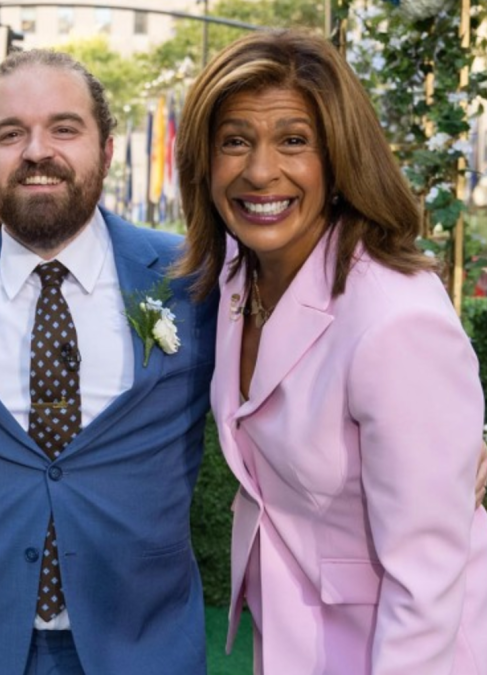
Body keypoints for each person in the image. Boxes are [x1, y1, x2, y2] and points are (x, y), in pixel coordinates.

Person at [0, 49, 220, 674]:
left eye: (64, 128)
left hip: (144, 645)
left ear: (106, 150)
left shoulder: (191, 280)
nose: (36, 151)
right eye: (11, 134)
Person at [172, 30, 486, 673]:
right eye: (235, 140)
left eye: (294, 140)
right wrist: (7, 229)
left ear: (340, 157)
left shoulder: (396, 321)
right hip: (295, 637)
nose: (260, 171)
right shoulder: (238, 274)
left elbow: (427, 587)